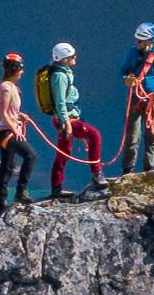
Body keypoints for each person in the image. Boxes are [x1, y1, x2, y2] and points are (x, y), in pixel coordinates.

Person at [35, 42, 104, 196]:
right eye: (72, 56)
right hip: (65, 119)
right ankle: (97, 174)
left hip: (66, 119)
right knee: (94, 135)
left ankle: (56, 187)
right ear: (64, 59)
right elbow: (60, 102)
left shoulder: (61, 73)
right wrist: (67, 124)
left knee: (64, 151)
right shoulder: (60, 76)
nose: (75, 58)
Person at [0, 48, 34, 212]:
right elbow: (2, 112)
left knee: (8, 165)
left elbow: (8, 111)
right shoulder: (6, 87)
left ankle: (1, 203)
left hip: (4, 130)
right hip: (6, 131)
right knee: (30, 155)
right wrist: (15, 128)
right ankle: (20, 192)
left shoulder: (10, 86)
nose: (22, 72)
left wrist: (20, 115)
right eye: (21, 68)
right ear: (17, 70)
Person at [120, 21, 154, 173]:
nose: (137, 43)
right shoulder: (132, 52)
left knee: (152, 137)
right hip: (136, 98)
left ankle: (148, 170)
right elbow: (123, 70)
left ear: (149, 41)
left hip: (153, 100)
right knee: (132, 136)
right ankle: (128, 170)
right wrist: (127, 79)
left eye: (140, 41)